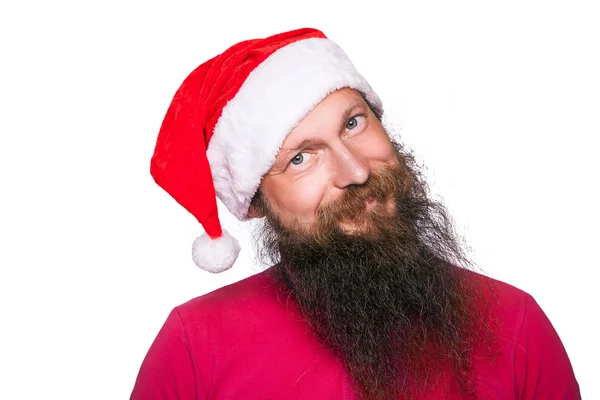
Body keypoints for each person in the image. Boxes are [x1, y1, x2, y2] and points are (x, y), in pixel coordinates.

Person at [130, 28, 580, 399]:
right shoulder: (194, 347)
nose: (357, 171)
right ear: (259, 201)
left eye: (353, 123)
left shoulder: (515, 324)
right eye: (301, 158)